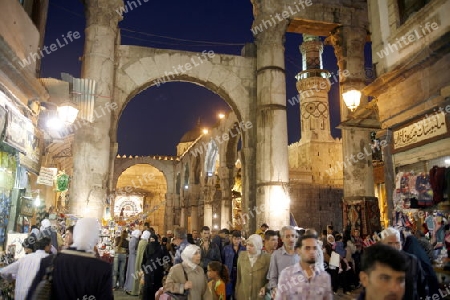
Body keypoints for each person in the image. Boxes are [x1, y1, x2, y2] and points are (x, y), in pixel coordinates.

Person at [26, 218, 113, 300]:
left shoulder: (49, 261)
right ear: (95, 238)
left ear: (75, 235)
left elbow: (32, 295)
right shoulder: (103, 269)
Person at [275, 233, 333, 300]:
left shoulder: (325, 277)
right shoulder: (287, 275)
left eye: (315, 248)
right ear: (298, 251)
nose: (312, 252)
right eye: (307, 248)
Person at [380, 227, 429, 300]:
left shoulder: (412, 260)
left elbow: (423, 286)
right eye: (389, 243)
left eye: (397, 243)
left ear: (401, 243)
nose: (394, 246)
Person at [267, 226, 299, 298]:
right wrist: (275, 290)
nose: (291, 239)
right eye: (287, 236)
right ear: (282, 239)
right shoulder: (276, 255)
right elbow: (272, 277)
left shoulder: (301, 254)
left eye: (293, 236)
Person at [236, 234, 271, 299]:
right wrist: (237, 292)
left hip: (258, 296)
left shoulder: (267, 258)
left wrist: (266, 288)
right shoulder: (242, 255)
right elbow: (239, 277)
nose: (248, 247)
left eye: (251, 245)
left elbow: (271, 279)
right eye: (247, 244)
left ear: (258, 246)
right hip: (243, 295)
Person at [221, 230, 245, 299]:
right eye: (235, 239)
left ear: (240, 239)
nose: (236, 241)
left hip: (239, 272)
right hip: (229, 272)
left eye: (238, 239)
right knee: (228, 292)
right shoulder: (226, 248)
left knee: (237, 292)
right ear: (232, 239)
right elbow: (222, 260)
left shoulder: (244, 249)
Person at [142, 233, 167, 300]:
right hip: (149, 272)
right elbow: (144, 259)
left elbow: (166, 259)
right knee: (148, 289)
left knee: (156, 289)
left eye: (153, 240)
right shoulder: (148, 247)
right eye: (151, 240)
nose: (152, 242)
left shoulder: (161, 248)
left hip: (157, 272)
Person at [130, 230, 150, 296]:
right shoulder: (145, 243)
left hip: (138, 260)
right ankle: (139, 291)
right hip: (142, 261)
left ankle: (135, 291)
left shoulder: (140, 242)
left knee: (137, 275)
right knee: (141, 276)